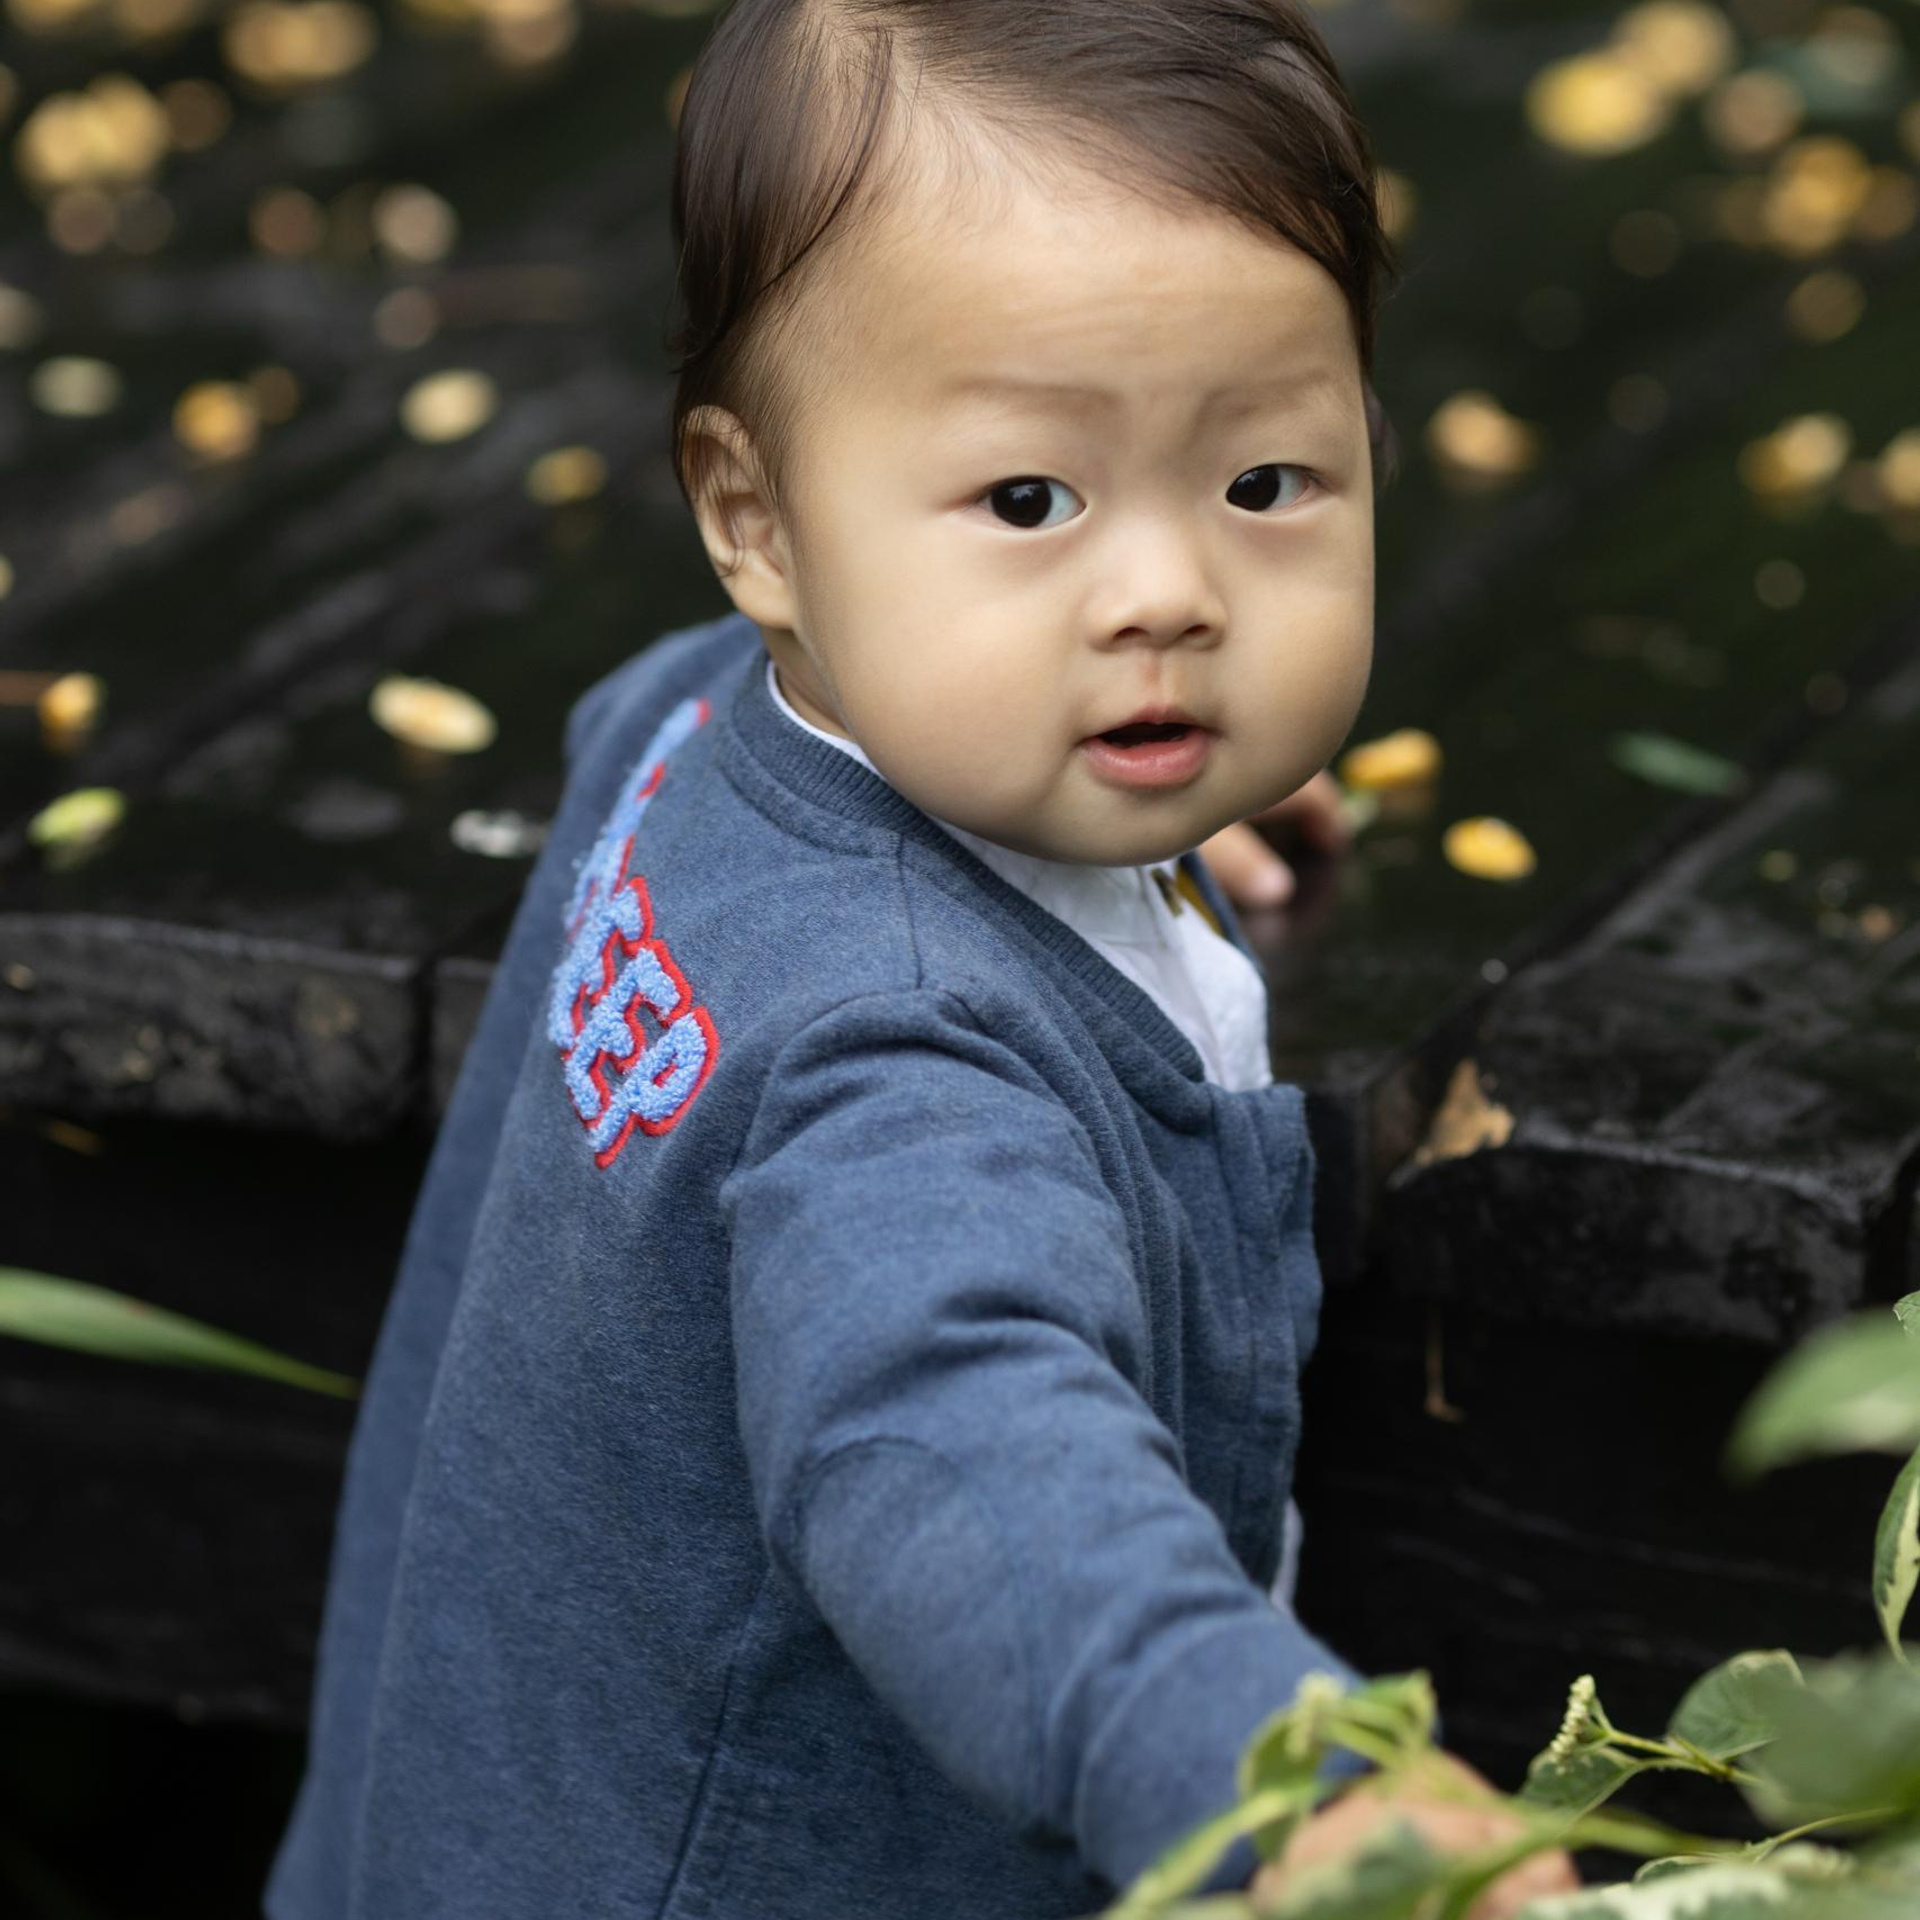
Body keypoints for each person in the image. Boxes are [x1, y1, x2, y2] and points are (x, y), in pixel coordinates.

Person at [266, 2, 1579, 1915]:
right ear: (756, 519)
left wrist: (1097, 784)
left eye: (1266, 484)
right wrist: (1281, 1797)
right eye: (1030, 503)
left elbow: (675, 699)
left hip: (481, 1814)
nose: (1164, 597)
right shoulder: (892, 1061)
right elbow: (955, 1458)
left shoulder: (706, 727)